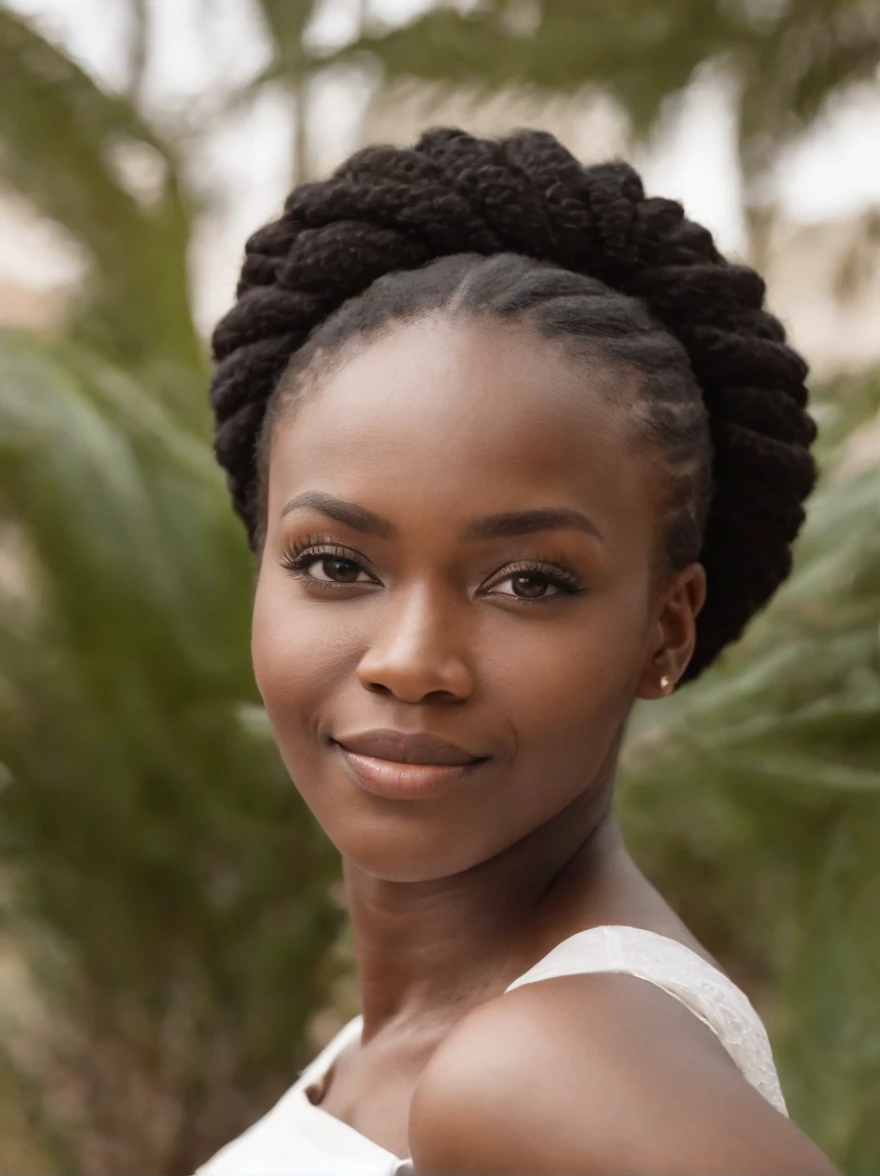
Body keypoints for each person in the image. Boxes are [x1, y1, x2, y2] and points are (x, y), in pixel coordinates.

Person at [197, 127, 838, 1174]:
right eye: (335, 563)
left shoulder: (546, 1070)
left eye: (529, 582)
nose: (409, 661)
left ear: (663, 629)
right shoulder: (421, 1045)